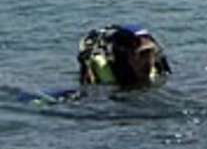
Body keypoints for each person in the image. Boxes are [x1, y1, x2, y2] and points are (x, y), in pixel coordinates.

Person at [18, 24, 171, 104]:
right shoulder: (97, 94)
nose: (150, 60)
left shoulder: (159, 80)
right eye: (145, 54)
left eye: (152, 54)